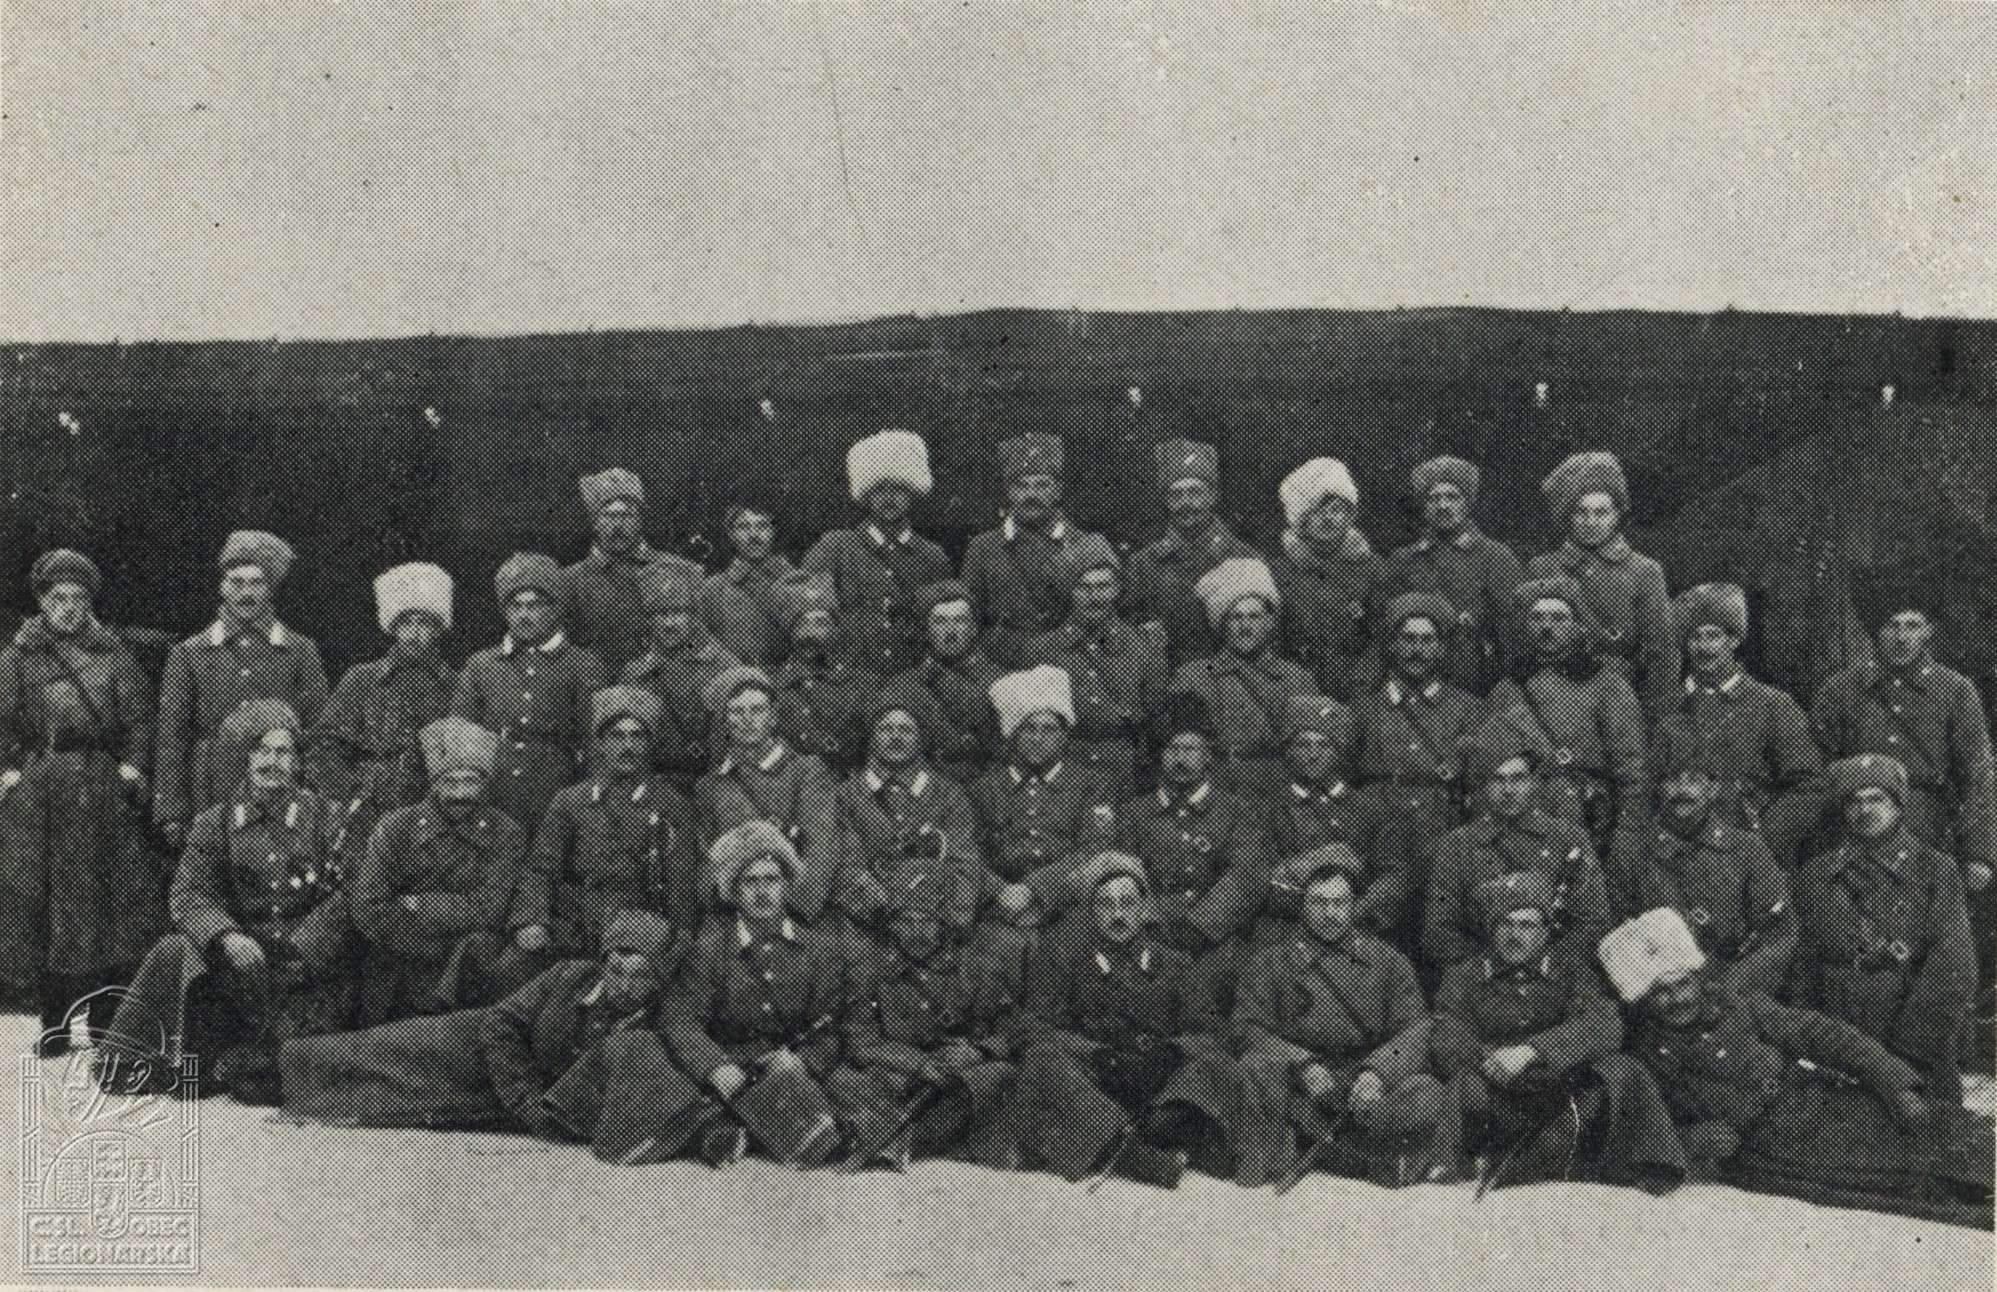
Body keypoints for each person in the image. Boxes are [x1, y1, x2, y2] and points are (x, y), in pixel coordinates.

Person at [1611, 907, 1992, 1230]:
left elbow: (1822, 1034)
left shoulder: (1740, 1007)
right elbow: (1645, 1135)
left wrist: (1894, 1082)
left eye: (1681, 984)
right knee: (1911, 1178)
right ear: (1642, 1000)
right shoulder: (1647, 1059)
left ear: (1696, 977)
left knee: (1940, 1127)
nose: (1676, 999)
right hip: (1772, 1149)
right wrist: (1697, 1140)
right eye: (1659, 992)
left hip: (1820, 1099)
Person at [98, 699, 351, 1101]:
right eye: (261, 751)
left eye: (283, 752)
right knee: (175, 950)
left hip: (306, 973)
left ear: (297, 761)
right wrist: (226, 935)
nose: (272, 762)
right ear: (245, 758)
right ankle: (131, 1059)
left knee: (283, 1071)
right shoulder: (214, 823)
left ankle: (241, 1060)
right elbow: (188, 892)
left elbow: (348, 892)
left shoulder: (327, 818)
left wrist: (305, 947)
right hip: (241, 971)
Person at [277, 909, 679, 1143]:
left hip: (495, 1093)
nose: (624, 985)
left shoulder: (654, 1027)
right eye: (616, 970)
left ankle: (284, 1080)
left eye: (639, 976)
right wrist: (527, 1103)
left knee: (386, 1102)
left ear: (659, 980)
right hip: (474, 1043)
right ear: (603, 962)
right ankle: (274, 1068)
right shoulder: (569, 976)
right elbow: (502, 1021)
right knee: (378, 1050)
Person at [609, 822, 862, 1168]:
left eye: (771, 880)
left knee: (850, 1093)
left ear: (786, 884)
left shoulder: (817, 950)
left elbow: (831, 1027)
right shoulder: (710, 950)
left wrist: (803, 1060)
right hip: (730, 1069)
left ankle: (745, 1128)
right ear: (733, 890)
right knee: (669, 1080)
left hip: (790, 1068)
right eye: (750, 882)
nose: (762, 892)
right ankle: (727, 1127)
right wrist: (715, 1067)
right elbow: (682, 1021)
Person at [1008, 853, 1254, 1188]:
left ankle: (1139, 1131)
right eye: (1106, 904)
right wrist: (1095, 1054)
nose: (1118, 914)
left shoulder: (1175, 964)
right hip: (1098, 1082)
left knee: (1219, 1065)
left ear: (1144, 908)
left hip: (1159, 1083)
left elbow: (1215, 1034)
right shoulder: (1068, 964)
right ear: (1092, 912)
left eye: (1127, 903)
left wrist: (1172, 1053)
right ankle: (1134, 1154)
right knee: (1041, 1060)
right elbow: (1032, 1027)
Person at [1430, 873, 1685, 1194]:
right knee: (1462, 1086)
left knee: (1624, 1070)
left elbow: (1605, 1024)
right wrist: (1493, 1059)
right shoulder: (1464, 976)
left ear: (1544, 931)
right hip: (1494, 1091)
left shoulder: (1572, 972)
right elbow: (1446, 1037)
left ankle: (1649, 1169)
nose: (1515, 935)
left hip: (1558, 1091)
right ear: (1492, 930)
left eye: (1527, 925)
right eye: (1505, 924)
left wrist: (1534, 1051)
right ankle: (1462, 1169)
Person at [0, 550, 160, 1052]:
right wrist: (8, 772)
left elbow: (140, 717)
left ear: (89, 602)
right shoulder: (19, 656)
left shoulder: (113, 654)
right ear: (42, 602)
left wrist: (132, 766)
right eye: (58, 598)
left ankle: (103, 1020)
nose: (68, 607)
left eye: (77, 598)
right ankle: (54, 1020)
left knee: (109, 903)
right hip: (42, 792)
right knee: (47, 904)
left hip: (101, 788)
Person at [1232, 855, 1459, 1189]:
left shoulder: (1388, 962)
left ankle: (1337, 1148)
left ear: (1353, 905)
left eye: (1339, 903)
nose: (1330, 913)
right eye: (1319, 903)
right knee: (1255, 1067)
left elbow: (1416, 1030)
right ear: (1302, 906)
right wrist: (1302, 1063)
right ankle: (1344, 1153)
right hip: (1300, 1084)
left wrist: (1376, 1073)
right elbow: (1246, 1028)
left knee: (1427, 1091)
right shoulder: (1270, 962)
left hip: (1366, 1086)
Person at [1788, 754, 1976, 1104]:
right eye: (1854, 801)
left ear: (1898, 805)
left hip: (1914, 1040)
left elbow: (1953, 965)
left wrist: (1910, 1048)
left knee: (1926, 1131)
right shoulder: (1816, 875)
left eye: (1877, 798)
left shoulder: (1935, 870)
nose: (1866, 810)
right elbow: (1802, 963)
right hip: (1840, 1041)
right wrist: (1809, 1039)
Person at [494, 686, 702, 998]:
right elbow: (540, 869)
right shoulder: (570, 801)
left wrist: (670, 945)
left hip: (639, 933)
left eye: (637, 736)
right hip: (578, 927)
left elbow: (681, 891)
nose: (627, 746)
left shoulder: (671, 806)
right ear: (601, 743)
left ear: (650, 744)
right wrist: (532, 919)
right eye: (617, 736)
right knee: (512, 967)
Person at [837, 866, 1031, 1167]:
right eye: (906, 921)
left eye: (927, 920)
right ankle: (906, 1136)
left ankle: (909, 1139)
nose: (917, 932)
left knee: (999, 1076)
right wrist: (919, 1065)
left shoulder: (974, 968)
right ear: (892, 925)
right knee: (845, 1080)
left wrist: (977, 1051)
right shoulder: (871, 971)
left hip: (957, 1079)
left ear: (943, 924)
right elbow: (861, 1043)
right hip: (898, 1077)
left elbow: (1013, 1028)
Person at [1809, 587, 1995, 897]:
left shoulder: (1956, 690)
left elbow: (1979, 774)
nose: (1902, 637)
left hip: (1930, 837)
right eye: (1892, 625)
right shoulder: (1840, 690)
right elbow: (1816, 772)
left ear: (1928, 631)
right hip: (1854, 836)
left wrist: (1980, 853)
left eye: (1913, 625)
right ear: (1877, 631)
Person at [154, 530, 330, 844]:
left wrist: (319, 800)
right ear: (222, 586)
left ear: (270, 588)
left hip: (281, 788)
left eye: (256, 583)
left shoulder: (300, 651)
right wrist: (171, 810)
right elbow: (172, 737)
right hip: (209, 789)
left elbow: (318, 733)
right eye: (236, 582)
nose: (246, 593)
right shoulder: (189, 653)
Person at [348, 717, 526, 1024]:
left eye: (471, 781)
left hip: (465, 982)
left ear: (485, 783)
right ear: (433, 783)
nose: (460, 793)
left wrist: (419, 904)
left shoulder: (505, 833)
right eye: (450, 782)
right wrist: (431, 945)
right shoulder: (394, 828)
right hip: (394, 980)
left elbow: (491, 912)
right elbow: (367, 908)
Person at [1612, 736, 1795, 997]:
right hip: (1664, 999)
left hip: (1737, 998)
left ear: (1714, 789)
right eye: (1672, 780)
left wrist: (1730, 989)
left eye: (1694, 780)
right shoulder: (1632, 855)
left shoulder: (1748, 849)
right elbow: (1620, 940)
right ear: (1659, 788)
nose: (1682, 791)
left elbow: (1779, 935)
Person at [1422, 724, 1610, 975]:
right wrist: (1495, 965)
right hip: (1482, 982)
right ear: (1484, 785)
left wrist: (1544, 966)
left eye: (1518, 778)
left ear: (1533, 782)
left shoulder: (1568, 839)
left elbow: (1594, 923)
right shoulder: (1457, 846)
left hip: (1555, 981)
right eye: (1497, 779)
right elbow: (1438, 933)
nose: (1508, 790)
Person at [1653, 583, 1821, 863]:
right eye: (1694, 637)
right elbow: (1650, 789)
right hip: (1681, 861)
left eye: (1713, 636)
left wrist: (1761, 844)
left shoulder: (1773, 705)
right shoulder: (1667, 709)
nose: (1704, 647)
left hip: (1751, 861)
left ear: (1733, 640)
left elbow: (1809, 786)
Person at [1484, 574, 1647, 863]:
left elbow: (1632, 772)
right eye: (1537, 618)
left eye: (1559, 618)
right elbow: (1489, 772)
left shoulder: (1606, 685)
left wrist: (1626, 838)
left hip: (1592, 826)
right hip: (1523, 828)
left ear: (1578, 626)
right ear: (1525, 627)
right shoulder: (1506, 690)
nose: (1547, 627)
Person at [310, 562, 457, 876]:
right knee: (363, 887)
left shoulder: (454, 686)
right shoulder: (362, 679)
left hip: (434, 812)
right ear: (393, 626)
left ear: (437, 629)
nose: (414, 634)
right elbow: (324, 746)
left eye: (424, 623)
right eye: (406, 622)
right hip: (367, 812)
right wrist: (351, 792)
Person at [1348, 593, 1484, 925]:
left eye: (1427, 640)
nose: (1417, 649)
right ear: (1393, 645)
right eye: (1407, 639)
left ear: (1441, 648)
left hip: (1440, 830)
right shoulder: (1366, 707)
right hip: (1377, 829)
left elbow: (1478, 783)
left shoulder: (1467, 709)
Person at [451, 553, 609, 835]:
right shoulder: (481, 665)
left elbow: (596, 744)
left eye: (534, 605)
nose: (524, 615)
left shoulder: (582, 665)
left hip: (556, 795)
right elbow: (460, 739)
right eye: (516, 606)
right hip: (493, 798)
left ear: (553, 609)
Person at [1107, 693, 1272, 958]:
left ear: (1207, 756)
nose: (1180, 758)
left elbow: (1247, 874)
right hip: (1150, 940)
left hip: (1219, 945)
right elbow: (1122, 877)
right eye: (1172, 749)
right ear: (1160, 756)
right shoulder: (1133, 813)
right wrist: (1152, 925)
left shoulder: (1237, 812)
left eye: (1190, 749)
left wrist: (1200, 926)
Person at [1527, 451, 1678, 722]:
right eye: (1581, 512)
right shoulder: (1541, 569)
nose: (1591, 522)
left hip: (1620, 704)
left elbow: (1662, 653)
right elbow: (1524, 645)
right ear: (1567, 515)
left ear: (1617, 515)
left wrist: (1652, 718)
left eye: (1601, 512)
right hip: (1553, 704)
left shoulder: (1644, 571)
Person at [1021, 533, 1169, 801]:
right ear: (1070, 591)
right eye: (1084, 587)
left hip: (1125, 770)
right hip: (1065, 770)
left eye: (1103, 586)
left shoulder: (1143, 645)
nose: (1095, 596)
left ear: (1116, 589)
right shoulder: (1042, 650)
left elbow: (1155, 719)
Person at [968, 666, 1118, 930]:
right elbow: (966, 851)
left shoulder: (1091, 785)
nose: (1038, 738)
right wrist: (999, 891)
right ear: (1013, 734)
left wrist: (1035, 889)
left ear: (1064, 736)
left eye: (1049, 729)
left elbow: (1095, 850)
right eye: (1029, 729)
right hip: (998, 913)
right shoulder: (984, 789)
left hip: (1069, 912)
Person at [826, 696, 985, 942]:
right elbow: (842, 866)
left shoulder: (948, 795)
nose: (896, 736)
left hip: (935, 930)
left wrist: (943, 920)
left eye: (906, 729)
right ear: (872, 737)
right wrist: (883, 915)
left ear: (920, 737)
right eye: (886, 729)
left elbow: (965, 865)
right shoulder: (844, 796)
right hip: (866, 932)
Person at [800, 430, 954, 677]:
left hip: (911, 682)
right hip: (847, 681)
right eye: (880, 489)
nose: (889, 498)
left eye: (899, 489)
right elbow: (805, 616)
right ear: (867, 495)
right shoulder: (835, 549)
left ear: (912, 493)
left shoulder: (932, 557)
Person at [694, 664, 838, 922]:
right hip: (733, 918)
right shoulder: (711, 786)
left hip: (795, 918)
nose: (747, 719)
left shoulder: (806, 771)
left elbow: (820, 852)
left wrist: (790, 910)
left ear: (772, 717)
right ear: (725, 721)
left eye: (757, 710)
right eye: (737, 711)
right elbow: (706, 868)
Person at [1169, 557, 1319, 804]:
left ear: (1269, 622)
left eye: (1254, 616)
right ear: (1222, 624)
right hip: (1217, 794)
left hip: (1280, 794)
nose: (1245, 626)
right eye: (1235, 617)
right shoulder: (1193, 677)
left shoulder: (1297, 679)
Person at [1265, 697, 1408, 945]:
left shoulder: (1372, 810)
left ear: (1340, 751)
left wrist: (1350, 913)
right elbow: (1257, 879)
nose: (1313, 754)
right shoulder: (1268, 810)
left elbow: (1393, 877)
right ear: (1289, 750)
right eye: (1303, 744)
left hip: (1357, 933)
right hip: (1287, 935)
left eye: (1324, 745)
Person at [959, 432, 1108, 668]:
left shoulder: (1085, 545)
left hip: (1072, 666)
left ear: (1057, 490)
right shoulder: (983, 548)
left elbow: (1105, 619)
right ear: (1009, 491)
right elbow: (969, 620)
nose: (1031, 495)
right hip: (1006, 669)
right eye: (1021, 486)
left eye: (1042, 485)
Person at [1376, 456, 1522, 695]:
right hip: (1415, 685)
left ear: (1467, 504)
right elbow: (1384, 630)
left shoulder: (1495, 557)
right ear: (1424, 506)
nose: (1443, 505)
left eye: (1452, 497)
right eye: (1434, 498)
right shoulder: (1403, 560)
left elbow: (1513, 632)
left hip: (1477, 686)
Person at [1125, 438, 1262, 667]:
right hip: (1166, 680)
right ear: (1165, 500)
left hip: (1230, 679)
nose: (1185, 503)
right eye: (1175, 494)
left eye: (1195, 492)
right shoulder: (1143, 564)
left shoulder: (1244, 558)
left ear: (1213, 495)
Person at [559, 468, 708, 676]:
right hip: (599, 691)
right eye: (609, 515)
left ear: (639, 520)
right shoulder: (570, 582)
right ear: (595, 522)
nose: (618, 524)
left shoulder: (683, 572)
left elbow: (702, 644)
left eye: (627, 515)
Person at [1271, 457, 1382, 703]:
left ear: (1349, 515)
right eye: (1317, 510)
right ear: (1302, 518)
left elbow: (1382, 637)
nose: (1328, 518)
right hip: (1296, 694)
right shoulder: (1280, 572)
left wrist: (1363, 685)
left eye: (1336, 509)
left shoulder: (1372, 569)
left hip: (1360, 693)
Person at [620, 563, 740, 787]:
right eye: (661, 614)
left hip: (715, 784)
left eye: (677, 613)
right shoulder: (635, 674)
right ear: (649, 619)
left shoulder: (723, 666)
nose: (669, 623)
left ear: (693, 616)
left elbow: (738, 739)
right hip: (655, 788)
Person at [768, 571, 883, 774]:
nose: (811, 633)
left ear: (835, 629)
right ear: (789, 630)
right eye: (802, 623)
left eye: (821, 623)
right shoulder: (772, 688)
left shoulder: (864, 685)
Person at [888, 581, 1003, 784]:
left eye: (960, 620)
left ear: (973, 629)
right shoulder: (903, 685)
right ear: (926, 630)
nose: (951, 630)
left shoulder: (1001, 683)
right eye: (940, 621)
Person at [699, 500, 798, 667]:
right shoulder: (713, 589)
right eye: (743, 527)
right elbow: (701, 643)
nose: (754, 535)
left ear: (774, 531)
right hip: (732, 678)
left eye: (762, 525)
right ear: (731, 535)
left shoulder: (797, 583)